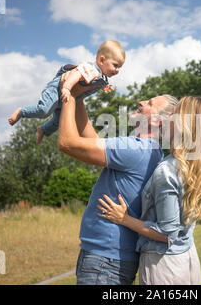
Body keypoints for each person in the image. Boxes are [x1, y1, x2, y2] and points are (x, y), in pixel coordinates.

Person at [57, 81, 178, 285]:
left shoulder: (136, 149)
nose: (140, 102)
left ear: (158, 121)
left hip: (104, 264)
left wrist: (67, 95)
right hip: (109, 261)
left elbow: (67, 143)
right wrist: (78, 99)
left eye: (149, 103)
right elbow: (92, 141)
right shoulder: (151, 151)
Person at [97, 96, 201, 285]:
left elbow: (166, 233)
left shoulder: (167, 170)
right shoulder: (196, 166)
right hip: (187, 260)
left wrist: (123, 219)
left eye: (174, 114)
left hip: (164, 267)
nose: (168, 117)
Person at [8, 40, 123, 144]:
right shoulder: (91, 69)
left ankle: (43, 130)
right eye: (115, 65)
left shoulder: (100, 76)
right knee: (44, 111)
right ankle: (21, 112)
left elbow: (91, 83)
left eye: (120, 67)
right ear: (102, 60)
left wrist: (103, 87)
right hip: (58, 89)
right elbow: (75, 75)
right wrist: (66, 88)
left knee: (59, 121)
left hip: (65, 97)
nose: (117, 70)